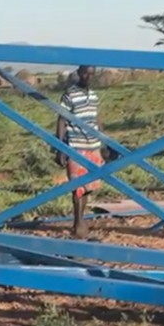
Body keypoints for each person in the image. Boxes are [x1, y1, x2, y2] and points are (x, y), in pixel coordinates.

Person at [55, 65, 104, 239]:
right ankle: (78, 222)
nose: (88, 77)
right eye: (85, 73)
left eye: (91, 74)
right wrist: (60, 147)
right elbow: (62, 119)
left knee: (88, 187)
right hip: (76, 145)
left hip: (93, 145)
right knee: (77, 187)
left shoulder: (93, 95)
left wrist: (104, 142)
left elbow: (97, 119)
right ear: (79, 74)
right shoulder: (70, 94)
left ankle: (80, 220)